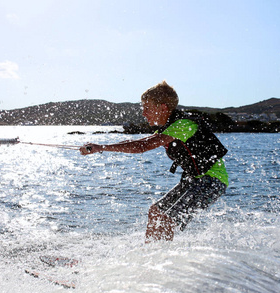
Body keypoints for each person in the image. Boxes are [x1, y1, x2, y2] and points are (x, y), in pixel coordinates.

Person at [80, 81, 228, 242]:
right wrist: (99, 147)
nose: (144, 113)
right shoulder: (169, 128)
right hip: (194, 180)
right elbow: (139, 141)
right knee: (156, 211)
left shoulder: (183, 125)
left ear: (163, 108)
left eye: (147, 108)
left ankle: (165, 262)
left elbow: (142, 146)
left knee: (167, 219)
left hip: (211, 182)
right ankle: (149, 254)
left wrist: (101, 147)